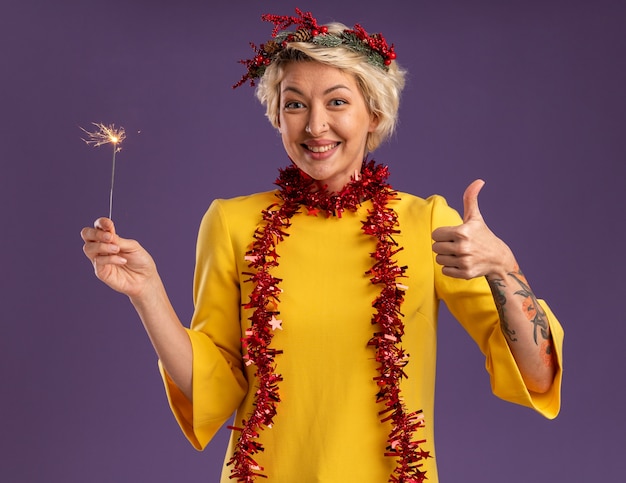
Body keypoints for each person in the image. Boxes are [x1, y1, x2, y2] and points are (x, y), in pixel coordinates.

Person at [81, 9, 563, 483]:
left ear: (373, 113)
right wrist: (147, 294)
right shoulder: (232, 222)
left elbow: (538, 377)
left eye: (336, 102)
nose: (315, 126)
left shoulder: (426, 222)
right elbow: (214, 386)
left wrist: (504, 269)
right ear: (277, 117)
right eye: (295, 104)